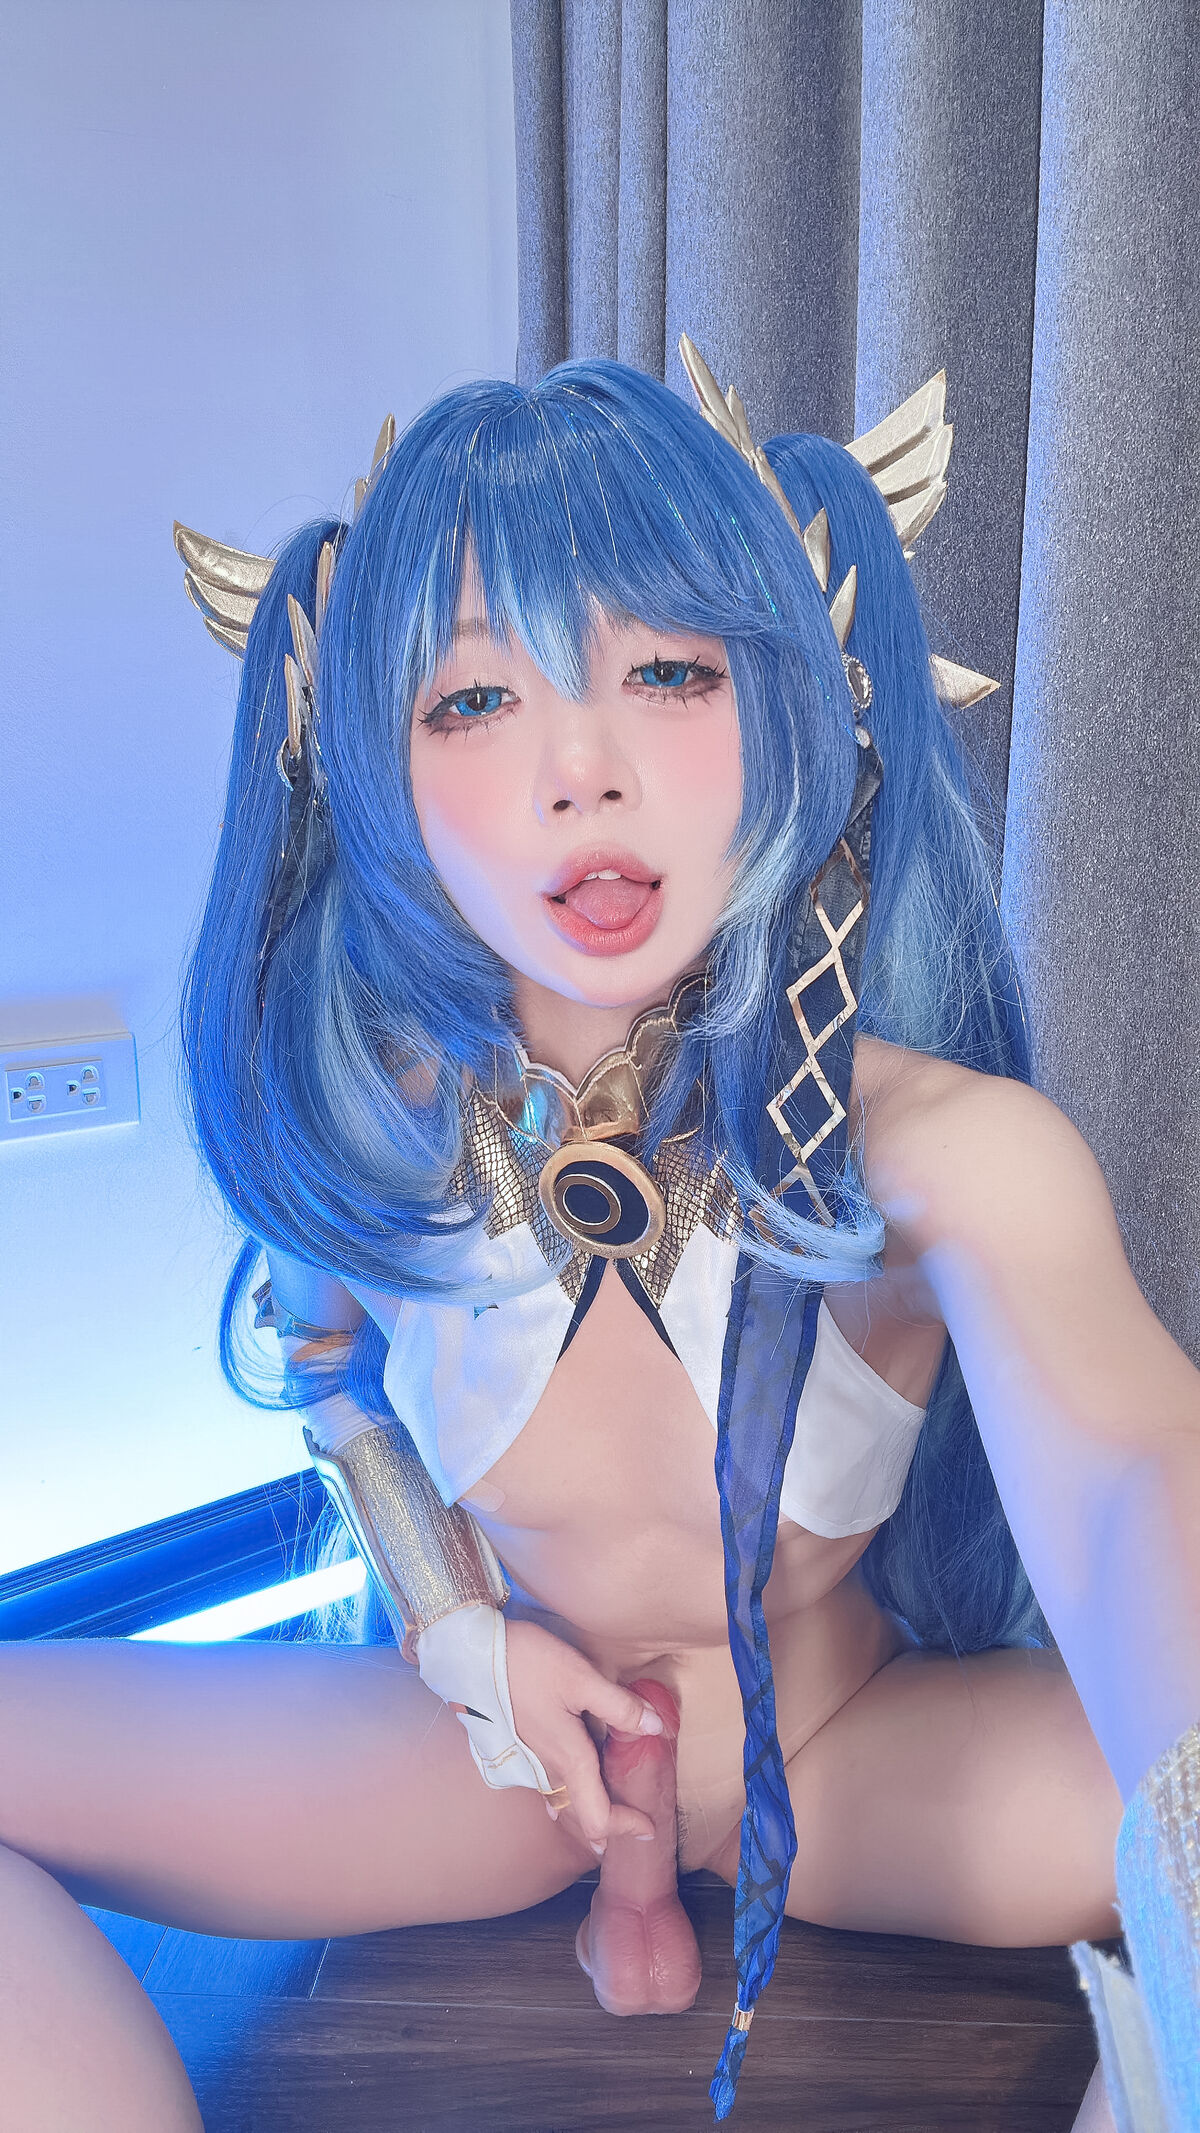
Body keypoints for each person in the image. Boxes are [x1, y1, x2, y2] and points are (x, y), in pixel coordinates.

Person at [0, 348, 1195, 2132]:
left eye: (670, 671)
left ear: (800, 702)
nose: (587, 771)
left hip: (858, 1766)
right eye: (478, 698)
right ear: (365, 766)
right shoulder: (366, 1129)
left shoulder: (948, 1154)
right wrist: (457, 1633)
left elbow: (1130, 1482)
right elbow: (328, 1371)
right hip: (499, 1772)